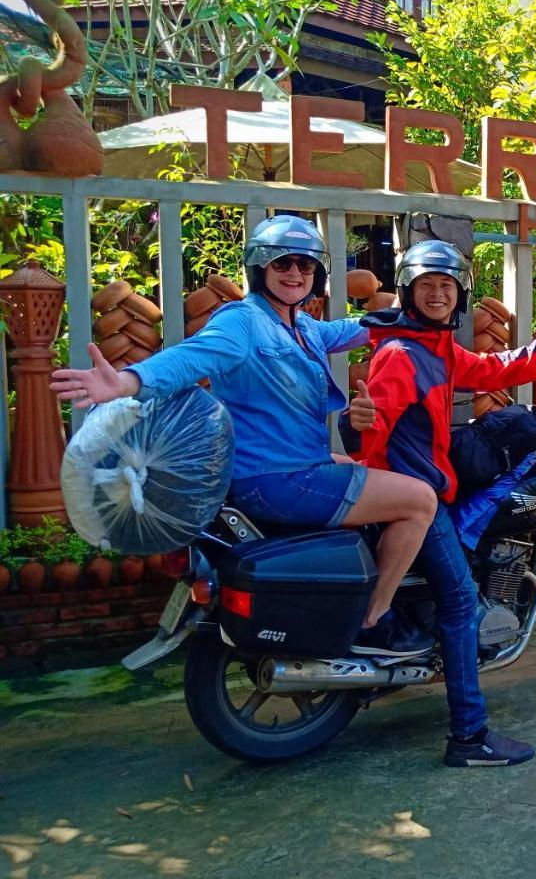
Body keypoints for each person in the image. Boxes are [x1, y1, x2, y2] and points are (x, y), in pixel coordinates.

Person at [50, 216, 439, 654]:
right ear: (259, 270)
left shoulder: (301, 326)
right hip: (278, 480)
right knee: (420, 499)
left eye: (305, 266)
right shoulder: (242, 322)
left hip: (291, 466)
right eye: (282, 264)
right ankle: (375, 616)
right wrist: (126, 382)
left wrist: (414, 315)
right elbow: (193, 357)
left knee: (358, 466)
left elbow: (349, 330)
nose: (295, 273)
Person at [352, 238, 536, 768]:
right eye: (427, 286)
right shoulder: (401, 355)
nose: (437, 294)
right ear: (409, 293)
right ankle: (468, 737)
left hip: (427, 488)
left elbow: (490, 368)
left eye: (446, 286)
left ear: (459, 294)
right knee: (459, 603)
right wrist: (358, 423)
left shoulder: (436, 350)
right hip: (414, 497)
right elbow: (372, 432)